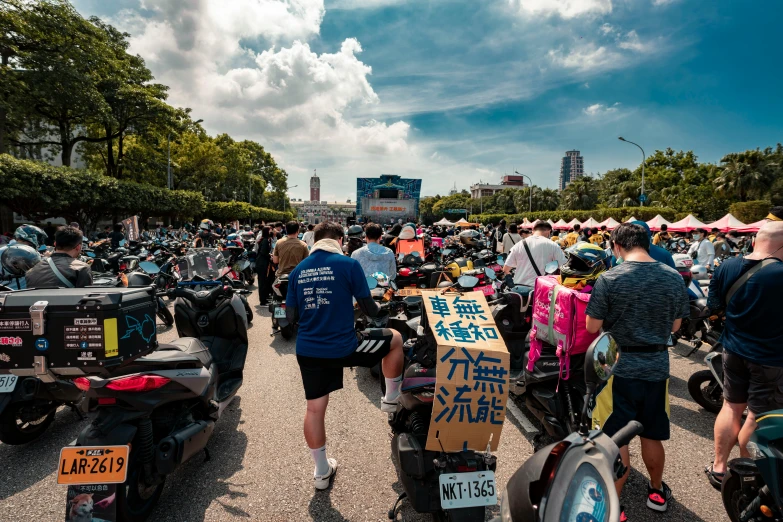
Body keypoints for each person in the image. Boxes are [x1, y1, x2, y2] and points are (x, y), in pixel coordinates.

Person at [286, 222, 404, 490]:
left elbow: (291, 318)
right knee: (395, 340)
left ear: (314, 240)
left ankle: (321, 472)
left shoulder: (298, 272)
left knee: (314, 410)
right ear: (339, 239)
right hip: (345, 347)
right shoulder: (348, 265)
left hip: (309, 350)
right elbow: (369, 309)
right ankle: (390, 398)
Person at [586, 223, 689, 515]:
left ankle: (613, 506)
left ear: (617, 246)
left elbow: (592, 326)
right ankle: (656, 492)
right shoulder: (672, 277)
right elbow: (675, 326)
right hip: (657, 367)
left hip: (617, 368)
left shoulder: (610, 278)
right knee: (652, 434)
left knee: (616, 437)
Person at [706, 221, 783, 489]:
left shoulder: (726, 266)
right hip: (770, 358)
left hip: (733, 348)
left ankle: (719, 467)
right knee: (756, 416)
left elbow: (713, 306)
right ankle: (749, 477)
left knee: (731, 406)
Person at [503, 221, 566, 288]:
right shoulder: (553, 245)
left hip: (520, 288)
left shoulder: (519, 245)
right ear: (549, 232)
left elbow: (506, 269)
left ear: (533, 230)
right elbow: (563, 267)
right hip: (541, 289)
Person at [26, 226, 93, 288]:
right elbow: (85, 297)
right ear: (78, 247)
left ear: (55, 244)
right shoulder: (82, 268)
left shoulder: (33, 269)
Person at [255, 226, 274, 305]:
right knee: (262, 282)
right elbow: (263, 252)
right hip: (262, 263)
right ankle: (263, 301)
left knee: (265, 281)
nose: (272, 231)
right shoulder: (265, 240)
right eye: (270, 230)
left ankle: (265, 298)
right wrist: (269, 256)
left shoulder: (265, 240)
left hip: (262, 262)